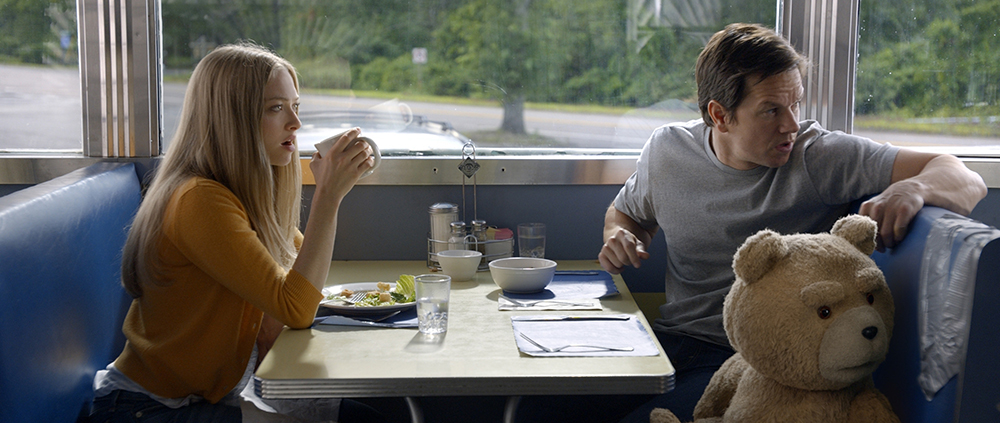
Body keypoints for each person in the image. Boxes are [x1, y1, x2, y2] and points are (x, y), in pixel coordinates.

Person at [600, 23, 987, 422]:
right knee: (560, 404)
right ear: (720, 115)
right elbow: (627, 212)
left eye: (796, 104)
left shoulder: (817, 156)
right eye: (772, 110)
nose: (791, 125)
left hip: (752, 363)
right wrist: (620, 234)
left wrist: (914, 189)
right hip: (663, 342)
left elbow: (965, 178)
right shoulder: (667, 150)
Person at [89, 42, 386, 423]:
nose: (295, 123)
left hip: (217, 396)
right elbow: (296, 307)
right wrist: (328, 196)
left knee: (372, 416)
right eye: (276, 108)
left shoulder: (246, 194)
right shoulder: (200, 200)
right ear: (232, 119)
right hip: (146, 408)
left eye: (295, 106)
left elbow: (297, 281)